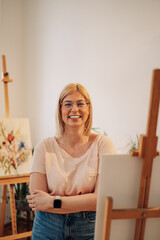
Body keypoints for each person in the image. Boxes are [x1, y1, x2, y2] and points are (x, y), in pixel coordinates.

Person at [27, 83, 116, 240]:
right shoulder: (44, 146)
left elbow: (101, 199)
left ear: (88, 109)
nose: (74, 109)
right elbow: (38, 201)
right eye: (68, 104)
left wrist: (52, 201)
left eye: (80, 103)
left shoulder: (103, 144)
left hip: (89, 225)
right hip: (47, 225)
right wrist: (84, 201)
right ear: (60, 110)